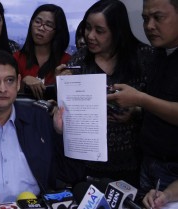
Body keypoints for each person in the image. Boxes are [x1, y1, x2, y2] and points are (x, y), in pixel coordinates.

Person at [55, 0, 154, 187]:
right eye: (87, 28)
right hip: (85, 165)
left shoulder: (144, 57)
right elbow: (66, 111)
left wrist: (136, 112)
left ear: (117, 32)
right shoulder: (79, 59)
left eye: (99, 31)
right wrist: (62, 86)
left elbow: (159, 106)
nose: (90, 36)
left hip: (132, 163)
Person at [107, 0, 178, 199]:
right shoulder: (158, 53)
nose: (149, 26)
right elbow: (161, 104)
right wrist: (136, 112)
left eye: (158, 18)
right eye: (145, 19)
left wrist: (140, 99)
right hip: (148, 161)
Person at [0, 50, 56, 203]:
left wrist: (61, 133)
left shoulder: (40, 118)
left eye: (9, 80)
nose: (2, 89)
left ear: (18, 82)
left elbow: (65, 176)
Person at [13, 4, 70, 99]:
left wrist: (60, 83)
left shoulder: (66, 61)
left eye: (48, 25)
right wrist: (23, 82)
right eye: (38, 22)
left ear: (57, 31)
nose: (41, 28)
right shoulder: (16, 58)